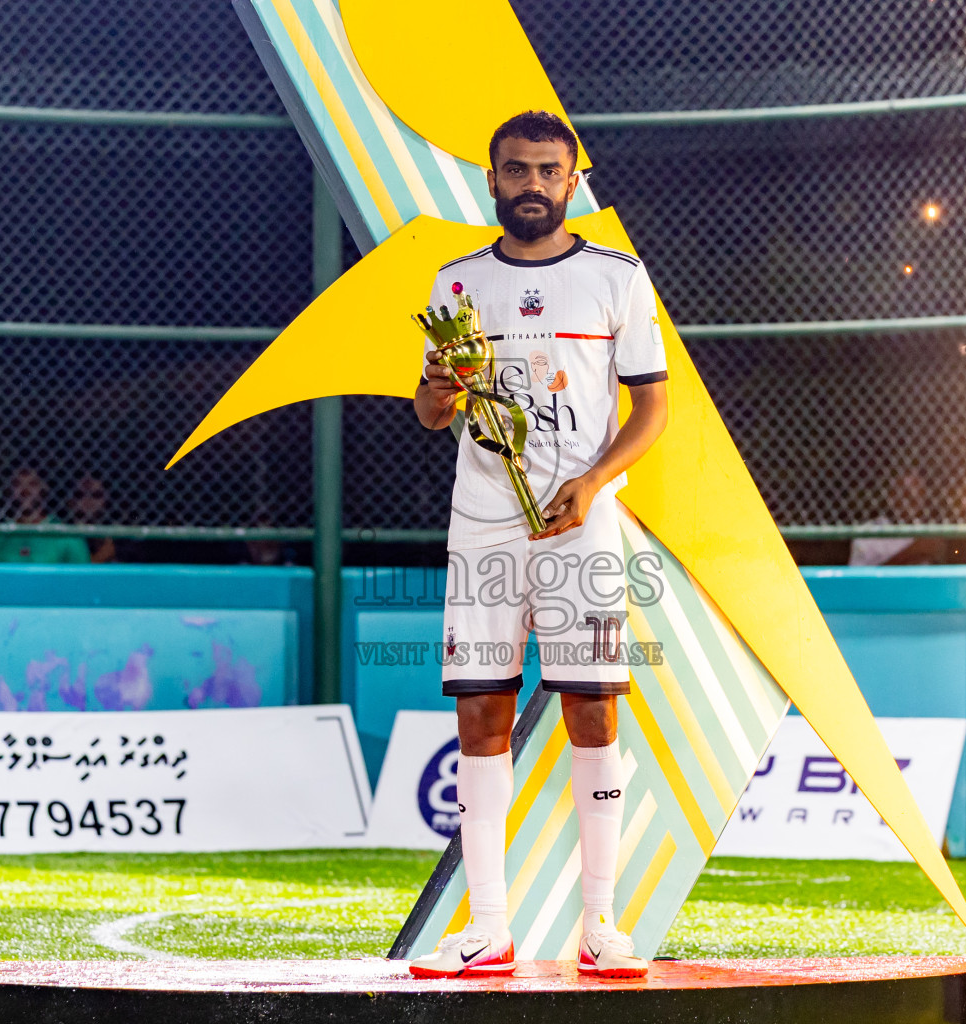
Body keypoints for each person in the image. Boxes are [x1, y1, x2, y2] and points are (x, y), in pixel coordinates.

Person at [408, 111, 668, 979]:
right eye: (515, 170)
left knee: (592, 709)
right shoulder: (457, 281)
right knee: (480, 711)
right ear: (491, 180)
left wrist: (592, 483)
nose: (531, 184)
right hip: (484, 524)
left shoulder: (616, 276)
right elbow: (431, 412)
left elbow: (654, 409)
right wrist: (440, 388)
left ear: (572, 180)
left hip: (580, 527)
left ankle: (601, 923)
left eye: (548, 170)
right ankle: (488, 928)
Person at [0, 467, 90, 564]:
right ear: (8, 489)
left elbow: (80, 577)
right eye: (17, 484)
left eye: (32, 484)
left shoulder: (66, 536)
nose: (25, 491)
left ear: (44, 488)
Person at [848, 469, 945, 567]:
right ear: (891, 497)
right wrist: (912, 551)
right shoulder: (868, 533)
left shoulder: (927, 530)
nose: (914, 498)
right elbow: (857, 576)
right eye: (906, 495)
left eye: (919, 495)